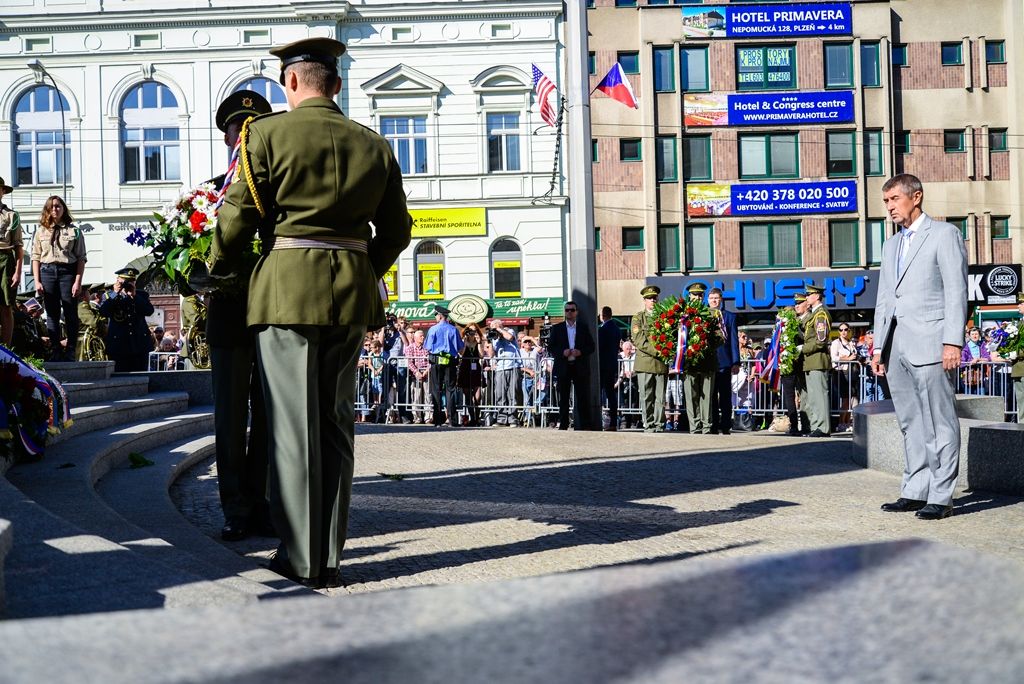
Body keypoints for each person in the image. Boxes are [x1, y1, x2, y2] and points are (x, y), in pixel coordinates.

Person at [210, 37, 413, 587]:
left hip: (283, 291)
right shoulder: (375, 145)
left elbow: (233, 226)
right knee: (335, 424)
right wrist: (361, 266)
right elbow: (398, 230)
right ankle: (328, 553)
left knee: (292, 428)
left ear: (291, 82)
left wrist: (226, 275)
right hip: (351, 293)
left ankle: (301, 558)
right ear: (337, 85)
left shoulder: (265, 136)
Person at [872, 173, 968, 521]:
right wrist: (877, 348)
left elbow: (956, 291)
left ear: (917, 197)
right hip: (895, 346)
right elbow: (885, 298)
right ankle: (914, 489)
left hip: (931, 342)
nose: (889, 207)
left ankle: (941, 496)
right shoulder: (891, 245)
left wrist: (952, 342)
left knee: (940, 420)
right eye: (886, 202)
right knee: (910, 421)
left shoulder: (945, 234)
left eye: (894, 199)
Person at [204, 90, 275, 541]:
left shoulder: (278, 192)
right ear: (227, 136)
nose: (242, 133)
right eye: (236, 127)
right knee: (230, 419)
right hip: (229, 316)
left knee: (268, 418)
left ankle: (262, 503)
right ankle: (234, 507)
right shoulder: (210, 193)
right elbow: (190, 259)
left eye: (252, 127)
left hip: (271, 312)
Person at [31, 195, 86, 361]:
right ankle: (55, 349)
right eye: (52, 207)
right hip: (47, 272)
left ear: (63, 209)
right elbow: (35, 257)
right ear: (47, 210)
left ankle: (70, 350)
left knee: (70, 312)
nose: (55, 209)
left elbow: (81, 258)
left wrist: (78, 281)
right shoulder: (40, 231)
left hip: (67, 272)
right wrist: (37, 281)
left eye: (58, 206)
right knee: (52, 314)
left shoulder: (74, 230)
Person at [546, 300, 595, 430]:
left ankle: (585, 425)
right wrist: (562, 352)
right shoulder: (557, 328)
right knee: (563, 398)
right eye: (567, 310)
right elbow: (551, 347)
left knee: (582, 396)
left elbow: (591, 347)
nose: (569, 312)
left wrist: (581, 352)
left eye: (572, 310)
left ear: (576, 312)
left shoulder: (583, 328)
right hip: (564, 366)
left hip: (579, 366)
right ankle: (563, 424)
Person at [99, 267, 155, 372]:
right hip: (119, 345)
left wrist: (134, 296)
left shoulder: (141, 295)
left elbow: (149, 311)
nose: (128, 284)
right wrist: (116, 293)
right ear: (117, 280)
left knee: (140, 376)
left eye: (131, 281)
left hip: (139, 344)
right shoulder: (109, 295)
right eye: (125, 281)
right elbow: (103, 312)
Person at [631, 285, 667, 433]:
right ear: (644, 300)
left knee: (660, 397)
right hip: (645, 362)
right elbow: (639, 340)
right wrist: (659, 352)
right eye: (649, 298)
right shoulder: (638, 318)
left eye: (654, 298)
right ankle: (649, 424)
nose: (652, 300)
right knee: (646, 396)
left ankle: (659, 424)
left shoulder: (665, 316)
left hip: (660, 364)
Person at [682, 282, 717, 435]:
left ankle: (707, 426)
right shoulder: (682, 314)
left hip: (707, 360)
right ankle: (694, 426)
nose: (697, 297)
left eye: (700, 295)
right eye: (694, 294)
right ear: (689, 296)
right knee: (691, 396)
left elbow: (721, 336)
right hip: (689, 362)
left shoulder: (713, 314)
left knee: (707, 397)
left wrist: (707, 345)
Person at [798, 284, 832, 437]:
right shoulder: (814, 314)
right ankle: (816, 426)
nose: (806, 297)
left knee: (819, 396)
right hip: (811, 361)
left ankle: (822, 428)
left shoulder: (820, 315)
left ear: (817, 296)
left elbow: (821, 340)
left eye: (809, 294)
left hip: (818, 360)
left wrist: (802, 349)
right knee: (813, 397)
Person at [708, 287, 740, 434]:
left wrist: (736, 362)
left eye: (716, 298)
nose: (714, 301)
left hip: (725, 361)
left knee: (725, 395)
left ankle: (726, 424)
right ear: (708, 300)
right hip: (709, 361)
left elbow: (734, 340)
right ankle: (713, 424)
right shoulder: (703, 316)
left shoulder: (729, 317)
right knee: (712, 395)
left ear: (721, 300)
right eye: (711, 298)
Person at [425, 305, 464, 427]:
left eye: (436, 315)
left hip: (436, 362)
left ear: (440, 316)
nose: (435, 317)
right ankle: (452, 420)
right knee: (450, 390)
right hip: (450, 362)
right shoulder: (453, 329)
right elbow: (460, 348)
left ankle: (437, 420)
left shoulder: (433, 329)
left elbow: (428, 347)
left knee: (436, 390)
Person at [780, 293, 810, 435]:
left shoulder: (783, 328)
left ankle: (795, 426)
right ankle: (803, 425)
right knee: (802, 396)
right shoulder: (797, 325)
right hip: (797, 364)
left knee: (790, 397)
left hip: (789, 365)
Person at [0, 178, 23, 346]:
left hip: (5, 259)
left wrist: (17, 271)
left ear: (3, 192)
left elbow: (18, 246)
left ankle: (5, 351)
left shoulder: (11, 215)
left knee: (6, 306)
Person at [488, 319, 522, 426]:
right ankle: (501, 418)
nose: (493, 329)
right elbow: (491, 355)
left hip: (513, 366)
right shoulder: (494, 338)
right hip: (500, 368)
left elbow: (510, 338)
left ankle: (513, 419)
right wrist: (490, 341)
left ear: (500, 326)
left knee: (512, 393)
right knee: (500, 394)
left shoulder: (509, 331)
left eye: (494, 326)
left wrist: (499, 329)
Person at [830, 323, 861, 431]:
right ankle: (841, 422)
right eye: (841, 329)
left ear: (849, 331)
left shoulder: (851, 344)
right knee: (846, 399)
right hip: (841, 373)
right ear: (838, 331)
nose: (843, 332)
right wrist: (847, 358)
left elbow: (854, 357)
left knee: (852, 399)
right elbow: (834, 358)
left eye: (846, 329)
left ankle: (847, 422)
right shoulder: (836, 343)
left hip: (852, 374)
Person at [597, 306, 622, 431]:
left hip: (602, 365)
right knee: (611, 394)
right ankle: (613, 422)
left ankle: (598, 420)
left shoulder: (603, 329)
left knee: (599, 394)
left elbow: (600, 347)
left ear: (603, 316)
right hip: (611, 364)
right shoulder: (616, 328)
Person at [457, 326, 484, 426]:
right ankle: (472, 418)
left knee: (478, 396)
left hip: (476, 368)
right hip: (465, 368)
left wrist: (479, 342)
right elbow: (461, 353)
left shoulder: (479, 341)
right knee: (468, 396)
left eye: (474, 331)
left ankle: (477, 418)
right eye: (470, 331)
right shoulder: (463, 341)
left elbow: (481, 355)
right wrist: (464, 341)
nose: (472, 333)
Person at [405, 328, 431, 424]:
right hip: (415, 374)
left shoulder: (427, 348)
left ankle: (428, 417)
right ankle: (417, 417)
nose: (423, 337)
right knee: (416, 396)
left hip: (426, 372)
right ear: (415, 338)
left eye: (423, 336)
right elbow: (409, 362)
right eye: (421, 336)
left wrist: (427, 370)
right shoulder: (410, 348)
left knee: (428, 395)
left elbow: (431, 361)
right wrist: (416, 372)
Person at [75, 283, 107, 361]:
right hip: (82, 343)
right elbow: (93, 322)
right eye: (88, 292)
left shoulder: (86, 306)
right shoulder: (82, 306)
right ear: (83, 296)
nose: (89, 295)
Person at [959, 327, 991, 395]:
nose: (974, 336)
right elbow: (962, 362)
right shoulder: (965, 347)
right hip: (968, 376)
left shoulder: (982, 345)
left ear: (979, 335)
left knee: (981, 396)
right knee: (968, 397)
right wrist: (970, 362)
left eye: (976, 334)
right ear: (969, 336)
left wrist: (977, 359)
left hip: (980, 375)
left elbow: (988, 358)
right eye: (972, 334)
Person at [1011, 292, 1024, 423]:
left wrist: (1014, 352)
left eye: (1020, 303)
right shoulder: (1019, 323)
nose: (1018, 306)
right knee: (1021, 404)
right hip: (1018, 368)